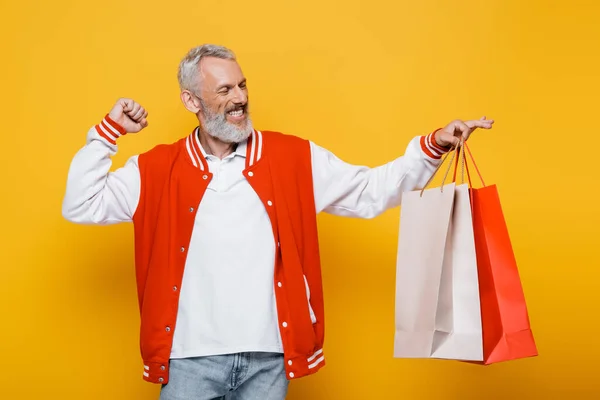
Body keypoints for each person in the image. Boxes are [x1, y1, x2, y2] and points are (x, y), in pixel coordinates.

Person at [61, 43, 494, 400]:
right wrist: (107, 134)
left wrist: (432, 145)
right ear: (191, 100)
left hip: (269, 361)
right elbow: (81, 204)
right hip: (188, 361)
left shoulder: (293, 159)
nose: (240, 98)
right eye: (225, 89)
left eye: (243, 85)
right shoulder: (155, 169)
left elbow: (370, 193)